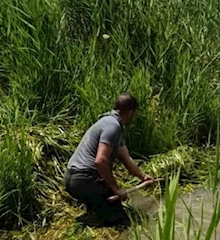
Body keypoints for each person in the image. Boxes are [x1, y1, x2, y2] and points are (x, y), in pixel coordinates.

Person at [64, 93, 153, 227]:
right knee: (123, 223)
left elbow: (126, 158)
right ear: (130, 112)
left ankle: (96, 215)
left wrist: (143, 177)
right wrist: (116, 188)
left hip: (71, 178)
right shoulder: (113, 126)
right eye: (134, 114)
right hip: (84, 179)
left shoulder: (108, 123)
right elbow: (100, 161)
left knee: (103, 212)